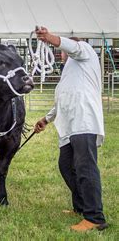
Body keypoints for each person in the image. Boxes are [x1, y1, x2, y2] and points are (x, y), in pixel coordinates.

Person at [33, 26, 108, 232]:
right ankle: (81, 207)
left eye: (62, 48)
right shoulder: (70, 70)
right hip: (70, 127)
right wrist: (46, 120)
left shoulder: (85, 51)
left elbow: (73, 46)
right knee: (66, 166)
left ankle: (95, 218)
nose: (60, 52)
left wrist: (50, 38)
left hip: (84, 121)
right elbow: (62, 100)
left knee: (86, 169)